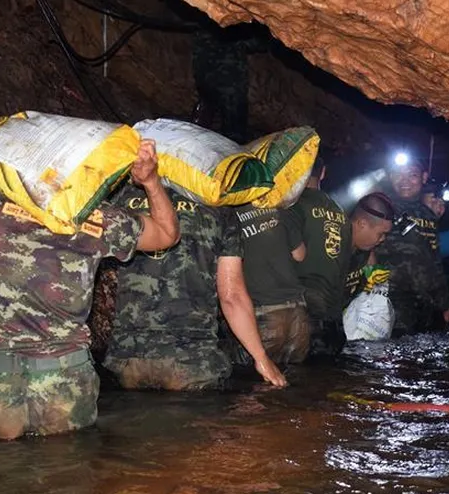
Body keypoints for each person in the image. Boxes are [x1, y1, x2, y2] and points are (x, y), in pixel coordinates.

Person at [0, 140, 180, 440]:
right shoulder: (101, 218)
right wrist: (151, 182)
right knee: (65, 472)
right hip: (65, 377)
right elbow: (167, 233)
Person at [104, 179, 287, 391]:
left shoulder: (121, 198)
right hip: (192, 360)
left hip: (128, 359)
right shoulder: (219, 208)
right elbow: (232, 296)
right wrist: (262, 358)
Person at [374, 158, 449, 337]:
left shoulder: (429, 216)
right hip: (389, 300)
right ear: (389, 176)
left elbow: (435, 262)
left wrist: (446, 305)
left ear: (424, 177)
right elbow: (362, 250)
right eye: (398, 174)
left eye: (412, 175)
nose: (404, 181)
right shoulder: (380, 207)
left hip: (424, 303)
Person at [284, 161, 349, 357]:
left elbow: (293, 254)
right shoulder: (341, 211)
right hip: (334, 316)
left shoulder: (293, 205)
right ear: (323, 173)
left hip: (306, 312)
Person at [234, 202, 310, 364]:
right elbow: (300, 254)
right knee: (297, 381)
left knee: (256, 381)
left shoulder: (229, 212)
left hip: (264, 312)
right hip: (298, 313)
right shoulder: (279, 207)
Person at [343, 193, 395, 304]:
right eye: (381, 234)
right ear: (362, 224)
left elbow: (375, 294)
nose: (382, 239)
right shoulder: (330, 248)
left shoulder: (367, 254)